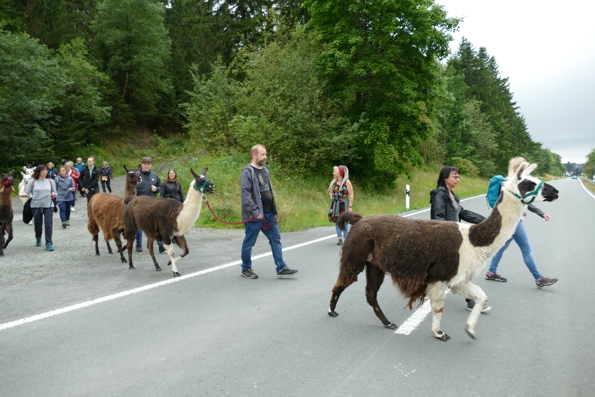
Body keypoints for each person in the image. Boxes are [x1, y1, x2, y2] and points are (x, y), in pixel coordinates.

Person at [485, 157, 558, 288]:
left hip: (512, 220)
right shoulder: (509, 184)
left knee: (502, 247)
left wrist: (541, 213)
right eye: (523, 167)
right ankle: (539, 278)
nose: (526, 170)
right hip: (513, 221)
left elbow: (526, 201)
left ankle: (491, 272)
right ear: (516, 169)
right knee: (526, 249)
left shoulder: (520, 183)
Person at [430, 166, 489, 312]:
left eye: (458, 177)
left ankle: (469, 300)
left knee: (452, 269)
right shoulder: (439, 195)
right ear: (445, 178)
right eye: (455, 177)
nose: (458, 179)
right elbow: (438, 219)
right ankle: (471, 300)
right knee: (457, 269)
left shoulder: (452, 195)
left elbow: (463, 213)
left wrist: (485, 221)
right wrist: (449, 235)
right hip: (447, 238)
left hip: (455, 238)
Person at [240, 144, 298, 279]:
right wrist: (255, 211)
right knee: (249, 242)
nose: (265, 157)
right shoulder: (247, 172)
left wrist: (274, 209)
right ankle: (246, 268)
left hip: (269, 214)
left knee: (276, 239)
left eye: (265, 154)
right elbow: (246, 195)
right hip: (255, 216)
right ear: (254, 155)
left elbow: (269, 191)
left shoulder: (265, 170)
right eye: (262, 154)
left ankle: (281, 267)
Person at [20, 164, 57, 251]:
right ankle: (38, 237)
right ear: (38, 172)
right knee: (38, 223)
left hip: (48, 205)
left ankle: (48, 243)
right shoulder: (32, 181)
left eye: (46, 170)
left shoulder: (51, 181)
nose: (45, 172)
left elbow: (55, 192)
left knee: (48, 224)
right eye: (43, 170)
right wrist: (23, 194)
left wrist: (54, 194)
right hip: (35, 205)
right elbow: (27, 192)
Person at [135, 157, 164, 253]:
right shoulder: (137, 175)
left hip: (153, 204)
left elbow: (160, 187)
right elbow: (130, 187)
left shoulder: (155, 175)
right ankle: (139, 244)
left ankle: (160, 245)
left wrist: (157, 189)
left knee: (155, 225)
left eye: (148, 164)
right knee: (139, 225)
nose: (147, 165)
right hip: (140, 204)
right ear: (141, 164)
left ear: (151, 165)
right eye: (145, 163)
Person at [328, 165, 354, 245]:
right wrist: (331, 196)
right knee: (337, 221)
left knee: (345, 221)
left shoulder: (347, 182)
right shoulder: (334, 183)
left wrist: (350, 206)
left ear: (339, 173)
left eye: (334, 172)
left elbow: (351, 194)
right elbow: (330, 192)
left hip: (344, 204)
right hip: (336, 204)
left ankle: (346, 238)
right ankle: (339, 239)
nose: (333, 173)